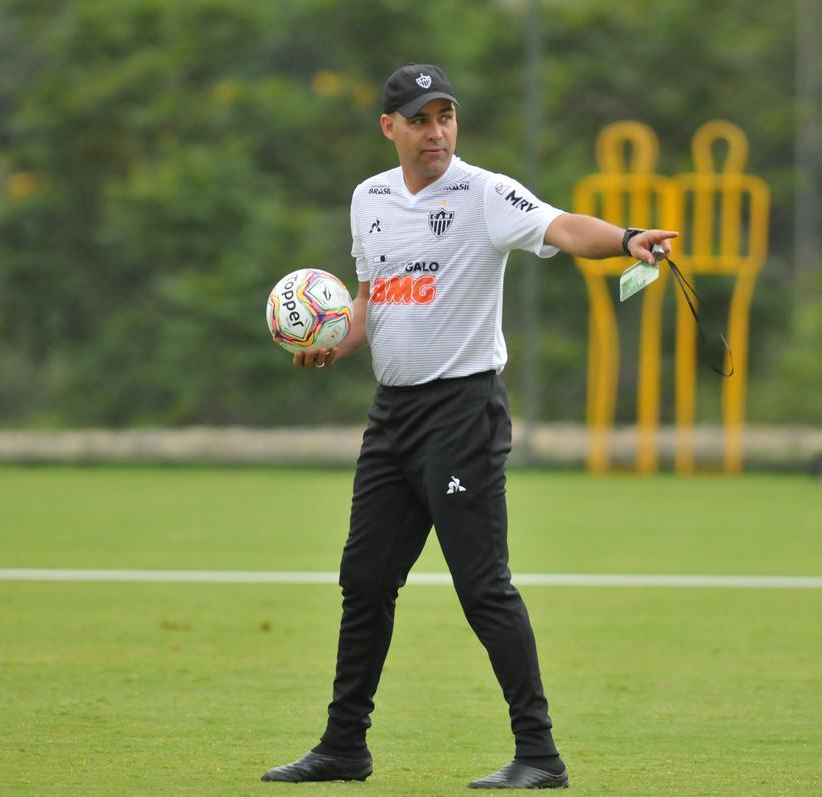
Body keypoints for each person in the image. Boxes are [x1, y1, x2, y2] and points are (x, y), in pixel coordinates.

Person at [261, 64, 675, 790]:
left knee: (482, 586)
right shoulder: (369, 199)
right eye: (421, 120)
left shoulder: (485, 193)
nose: (437, 132)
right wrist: (332, 339)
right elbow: (372, 303)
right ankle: (343, 746)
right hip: (392, 418)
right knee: (364, 580)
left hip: (463, 414)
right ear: (389, 127)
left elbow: (562, 225)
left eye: (446, 116)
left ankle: (539, 754)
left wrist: (627, 238)